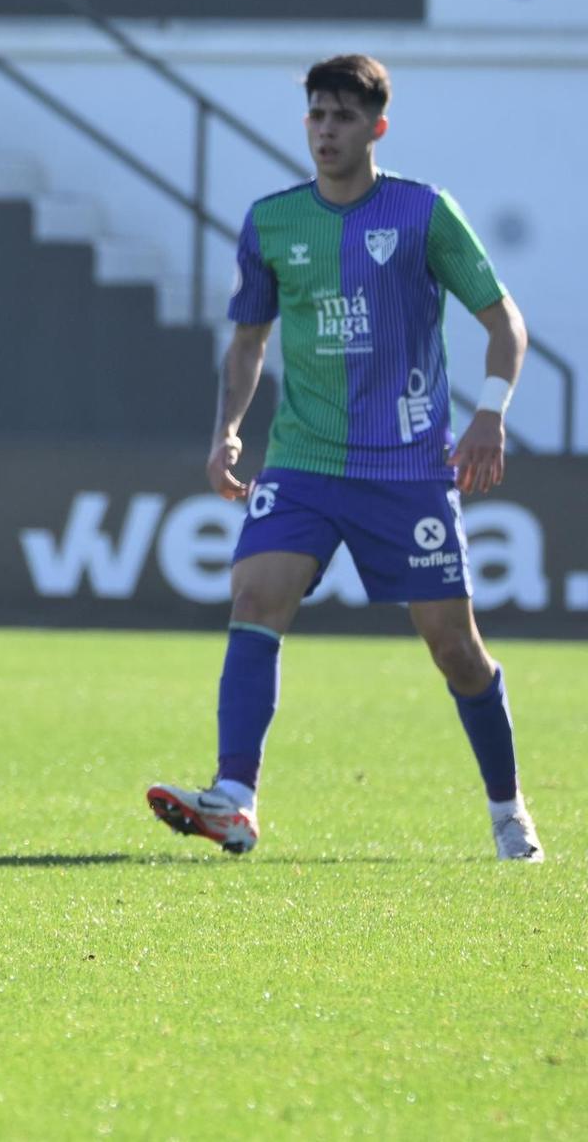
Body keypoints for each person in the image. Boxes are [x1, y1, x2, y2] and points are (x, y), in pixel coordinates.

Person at [148, 54, 543, 863]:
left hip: (406, 468)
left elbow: (505, 322)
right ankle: (235, 798)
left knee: (454, 649)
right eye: (316, 116)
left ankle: (510, 816)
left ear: (376, 128)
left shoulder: (423, 212)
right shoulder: (271, 223)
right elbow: (249, 342)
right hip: (304, 461)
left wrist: (490, 416)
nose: (326, 131)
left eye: (343, 118)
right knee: (255, 597)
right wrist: (228, 429)